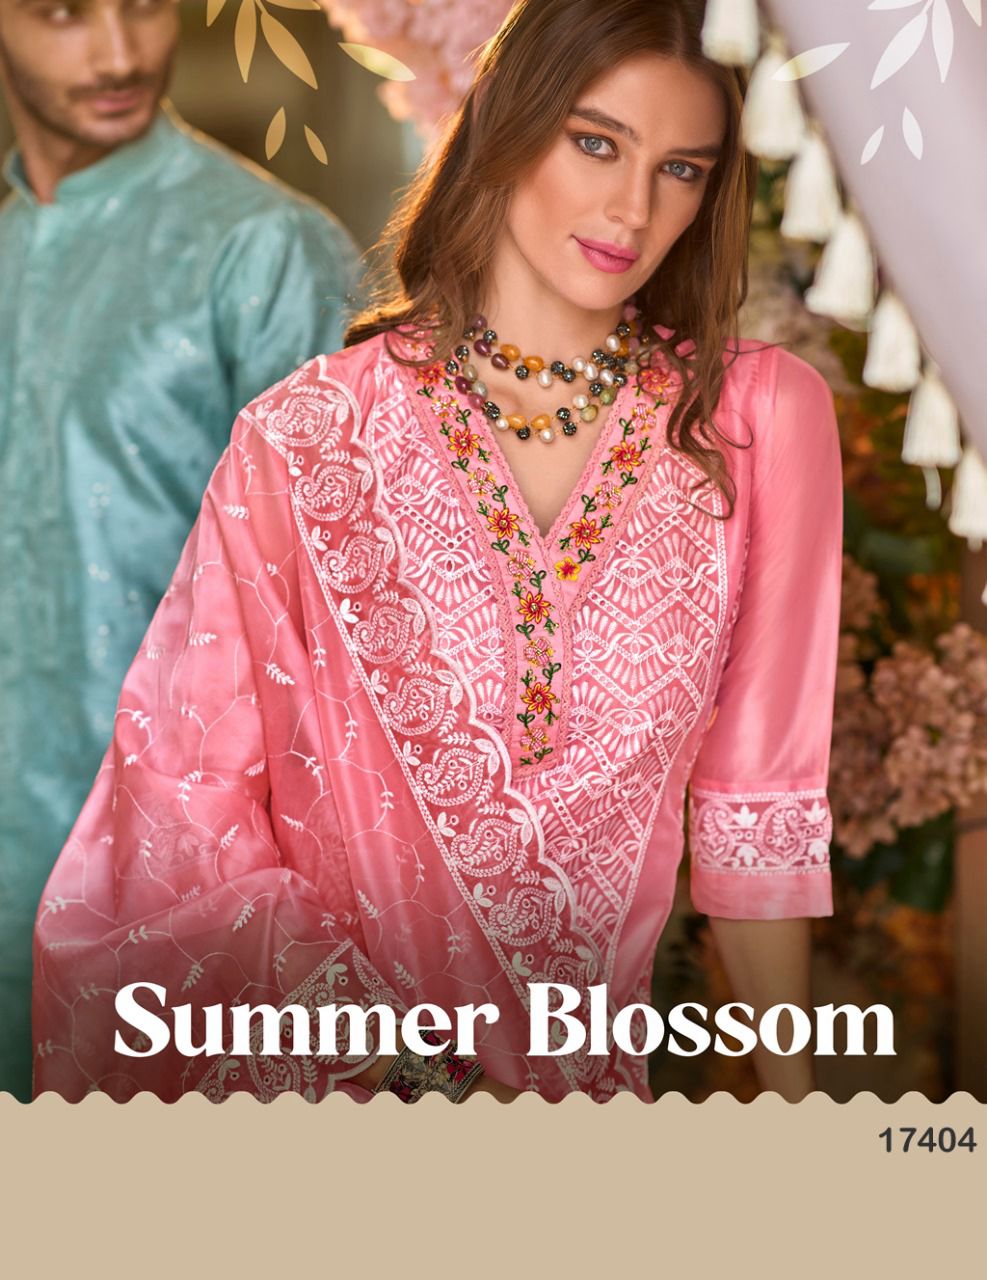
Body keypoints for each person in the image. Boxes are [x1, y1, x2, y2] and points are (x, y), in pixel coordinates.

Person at [33, 0, 843, 1105]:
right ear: (505, 126)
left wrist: (800, 1129)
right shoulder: (308, 438)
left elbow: (760, 816)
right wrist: (439, 1085)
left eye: (681, 170)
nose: (632, 207)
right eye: (595, 143)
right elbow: (179, 823)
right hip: (350, 1110)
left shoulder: (754, 421)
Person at [0, 0, 361, 1099]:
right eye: (65, 14)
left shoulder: (268, 249)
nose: (118, 54)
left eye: (146, 5)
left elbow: (338, 635)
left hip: (170, 913)